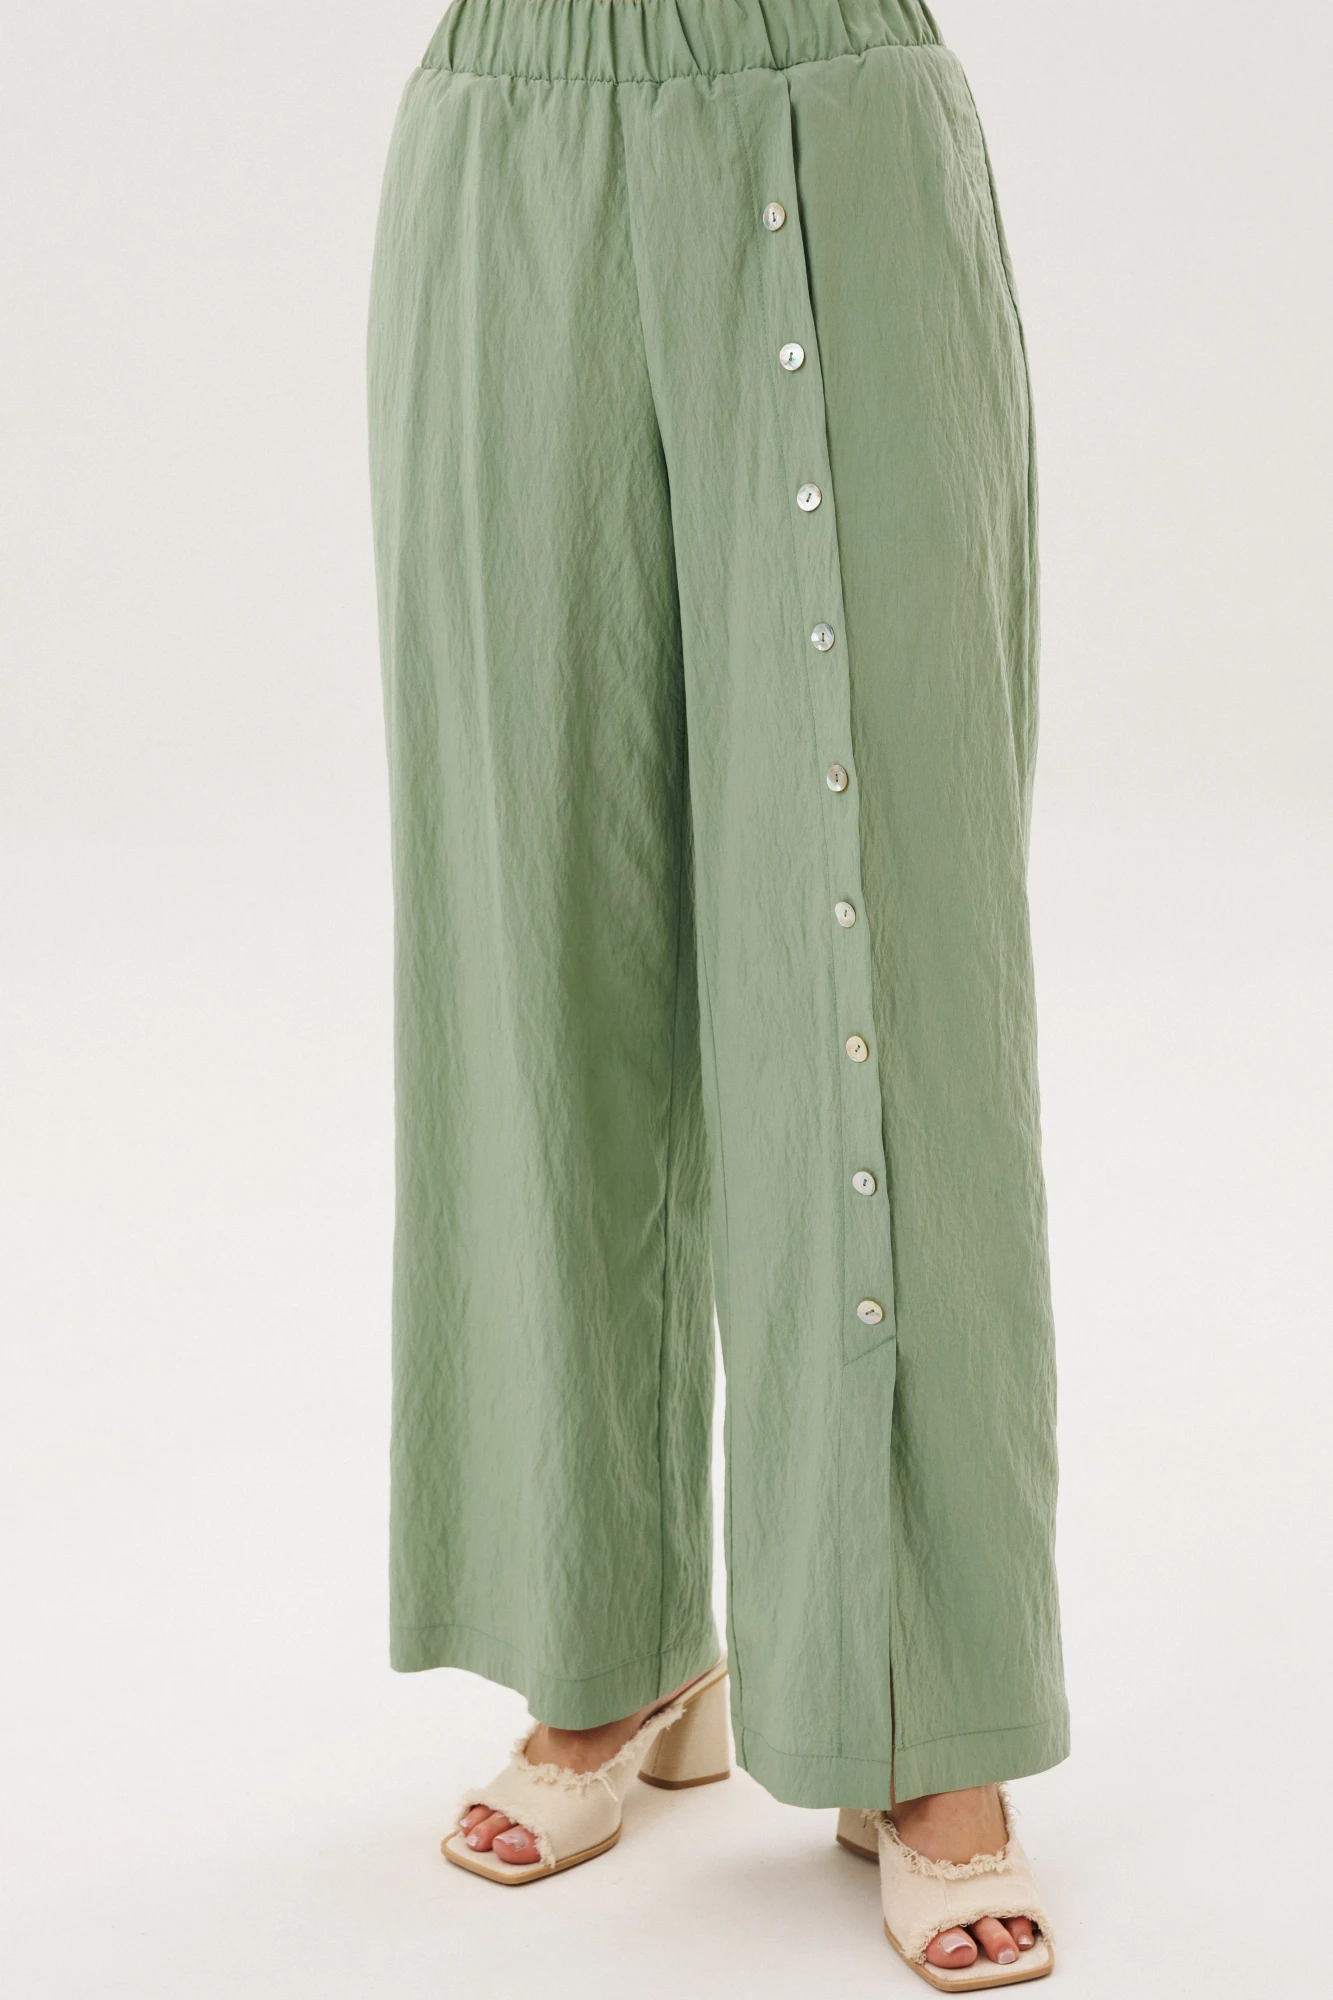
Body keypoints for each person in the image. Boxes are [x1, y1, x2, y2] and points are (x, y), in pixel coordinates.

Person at [367, 0, 1067, 1984]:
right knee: (527, 928)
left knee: (875, 948)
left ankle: (916, 1701)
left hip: (829, 106)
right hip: (505, 133)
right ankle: (604, 1630)